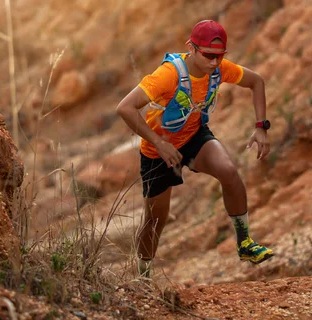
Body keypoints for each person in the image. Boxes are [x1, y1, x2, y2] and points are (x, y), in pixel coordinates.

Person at [116, 20, 274, 277]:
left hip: (194, 136)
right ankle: (142, 276)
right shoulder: (168, 75)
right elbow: (124, 107)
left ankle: (245, 243)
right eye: (208, 56)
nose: (214, 62)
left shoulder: (220, 69)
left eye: (219, 56)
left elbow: (257, 82)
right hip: (158, 152)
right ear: (191, 48)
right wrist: (159, 143)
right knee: (155, 221)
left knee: (229, 172)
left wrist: (261, 127)